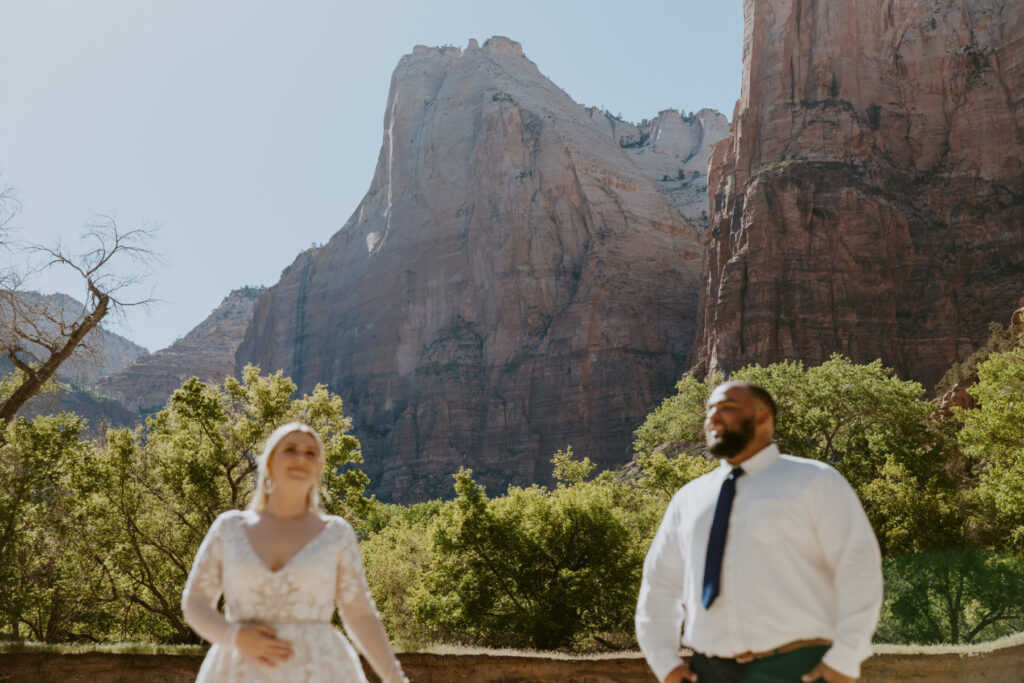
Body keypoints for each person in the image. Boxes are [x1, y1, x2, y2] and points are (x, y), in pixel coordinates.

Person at [635, 381, 883, 683]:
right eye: (709, 410)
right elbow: (659, 584)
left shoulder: (816, 481)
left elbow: (858, 569)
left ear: (763, 418)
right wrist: (665, 662)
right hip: (707, 671)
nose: (712, 417)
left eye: (726, 408)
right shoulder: (688, 498)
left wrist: (844, 659)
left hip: (797, 667)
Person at [182, 422, 407, 683]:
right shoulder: (229, 527)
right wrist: (234, 636)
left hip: (321, 670)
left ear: (318, 469)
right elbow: (195, 601)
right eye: (290, 449)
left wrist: (396, 679)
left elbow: (360, 614)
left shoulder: (336, 533)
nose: (301, 457)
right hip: (239, 670)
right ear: (268, 463)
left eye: (311, 453)